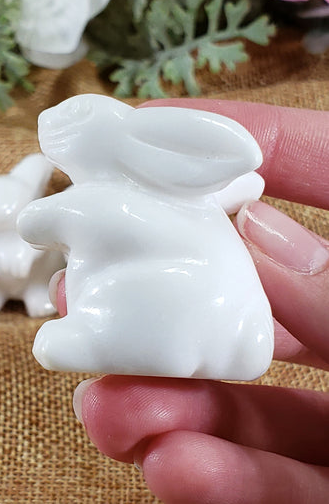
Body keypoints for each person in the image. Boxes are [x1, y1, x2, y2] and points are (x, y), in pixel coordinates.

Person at [54, 100, 329, 503]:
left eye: (77, 116)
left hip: (195, 313)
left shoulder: (119, 198)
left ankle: (98, 339)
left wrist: (52, 216)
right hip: (227, 330)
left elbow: (71, 220)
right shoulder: (176, 199)